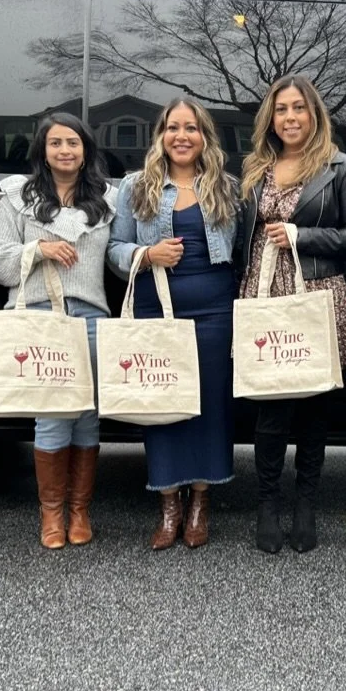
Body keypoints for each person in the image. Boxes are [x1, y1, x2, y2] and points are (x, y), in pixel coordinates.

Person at [237, 75, 346, 554]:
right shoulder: (256, 168)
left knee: (314, 409)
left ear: (314, 114)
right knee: (270, 409)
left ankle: (305, 504)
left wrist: (300, 235)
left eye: (298, 108)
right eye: (280, 109)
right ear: (270, 118)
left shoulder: (341, 166)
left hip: (315, 292)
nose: (289, 118)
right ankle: (268, 503)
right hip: (263, 294)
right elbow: (244, 238)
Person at [107, 97, 238, 551]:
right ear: (161, 135)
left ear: (205, 137)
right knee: (160, 402)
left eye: (192, 128)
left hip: (215, 314)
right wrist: (147, 254)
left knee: (208, 406)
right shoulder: (134, 187)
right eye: (173, 127)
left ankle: (201, 500)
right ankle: (168, 504)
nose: (182, 136)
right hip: (155, 311)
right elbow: (115, 249)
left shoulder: (227, 187)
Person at [0, 113, 116, 550]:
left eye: (73, 143)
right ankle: (52, 515)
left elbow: (116, 258)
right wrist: (37, 249)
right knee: (53, 413)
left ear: (85, 150)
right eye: (56, 142)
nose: (65, 150)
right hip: (40, 316)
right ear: (42, 149)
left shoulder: (107, 200)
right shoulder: (17, 198)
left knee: (87, 413)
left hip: (92, 317)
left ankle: (80, 510)